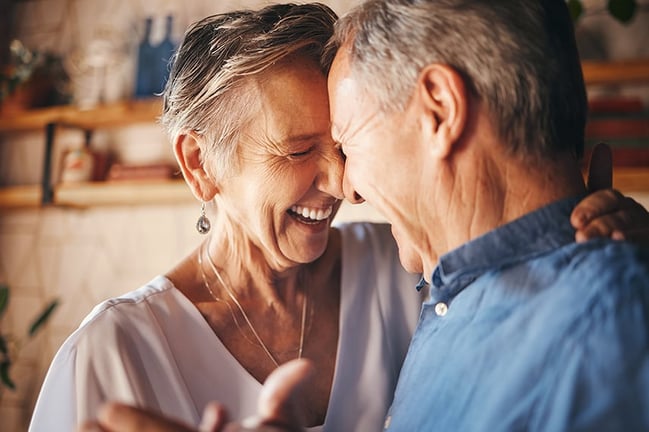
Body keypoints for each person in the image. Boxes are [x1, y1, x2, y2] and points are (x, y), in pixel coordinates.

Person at [45, 2, 649, 432]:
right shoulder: (107, 356)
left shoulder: (416, 268)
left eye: (344, 144)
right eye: (301, 150)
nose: (342, 186)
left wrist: (605, 260)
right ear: (200, 163)